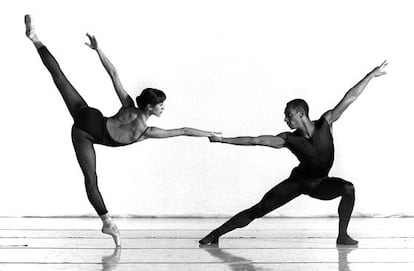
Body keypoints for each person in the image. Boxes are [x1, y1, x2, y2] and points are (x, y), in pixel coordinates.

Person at [25, 15, 220, 247]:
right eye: (161, 105)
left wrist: (99, 51)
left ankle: (35, 38)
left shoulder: (129, 105)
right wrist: (210, 133)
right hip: (87, 133)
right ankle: (107, 222)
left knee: (60, 78)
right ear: (150, 106)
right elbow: (183, 131)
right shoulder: (147, 132)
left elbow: (114, 74)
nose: (163, 108)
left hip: (90, 116)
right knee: (91, 179)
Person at [199, 61, 387, 246]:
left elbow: (350, 97)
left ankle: (342, 236)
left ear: (301, 114)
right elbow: (256, 140)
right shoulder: (288, 139)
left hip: (321, 184)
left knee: (348, 188)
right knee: (260, 209)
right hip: (297, 183)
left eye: (288, 115)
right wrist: (223, 139)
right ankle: (215, 234)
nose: (285, 119)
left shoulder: (326, 123)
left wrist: (371, 75)